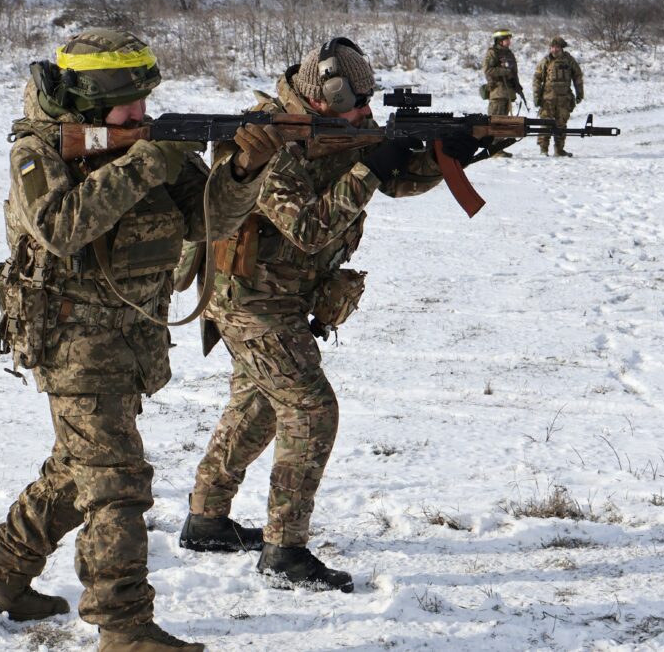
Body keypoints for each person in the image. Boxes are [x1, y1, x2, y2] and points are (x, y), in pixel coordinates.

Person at [0, 29, 280, 652]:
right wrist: (146, 161)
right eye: (126, 106)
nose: (140, 114)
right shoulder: (38, 151)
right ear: (87, 104)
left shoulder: (148, 144)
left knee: (74, 474)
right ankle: (124, 626)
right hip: (72, 343)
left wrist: (244, 169)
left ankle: (1, 578)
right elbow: (59, 226)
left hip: (128, 340)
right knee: (116, 480)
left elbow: (208, 218)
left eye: (143, 102)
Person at [179, 38, 484, 592]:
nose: (367, 114)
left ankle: (207, 519)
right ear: (324, 98)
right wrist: (373, 164)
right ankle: (284, 551)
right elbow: (309, 226)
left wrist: (453, 156)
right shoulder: (267, 140)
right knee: (311, 409)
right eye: (357, 106)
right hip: (249, 301)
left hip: (282, 298)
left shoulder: (335, 131)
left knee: (257, 409)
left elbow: (395, 178)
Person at [533, 36, 585, 157]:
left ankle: (559, 150)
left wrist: (580, 93)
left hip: (564, 99)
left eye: (556, 47)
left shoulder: (569, 60)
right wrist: (536, 95)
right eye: (552, 47)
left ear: (561, 48)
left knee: (561, 124)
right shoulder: (546, 61)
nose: (554, 50)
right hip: (548, 99)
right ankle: (543, 150)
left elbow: (577, 76)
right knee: (545, 123)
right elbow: (537, 79)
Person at [481, 28, 523, 158]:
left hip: (507, 93)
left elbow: (513, 72)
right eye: (507, 39)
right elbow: (488, 70)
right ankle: (492, 149)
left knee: (503, 122)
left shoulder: (509, 53)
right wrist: (504, 72)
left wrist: (517, 86)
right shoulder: (493, 53)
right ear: (500, 40)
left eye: (509, 39)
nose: (509, 41)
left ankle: (498, 148)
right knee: (495, 121)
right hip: (498, 93)